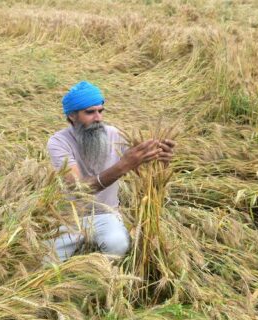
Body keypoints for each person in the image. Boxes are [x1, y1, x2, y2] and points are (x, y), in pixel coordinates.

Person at [46, 81, 175, 262]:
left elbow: (146, 173)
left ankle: (100, 278)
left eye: (100, 111)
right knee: (47, 261)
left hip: (105, 214)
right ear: (72, 116)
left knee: (118, 245)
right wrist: (123, 165)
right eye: (90, 112)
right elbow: (79, 189)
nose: (98, 118)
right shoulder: (58, 142)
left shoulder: (114, 134)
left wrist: (162, 158)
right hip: (69, 216)